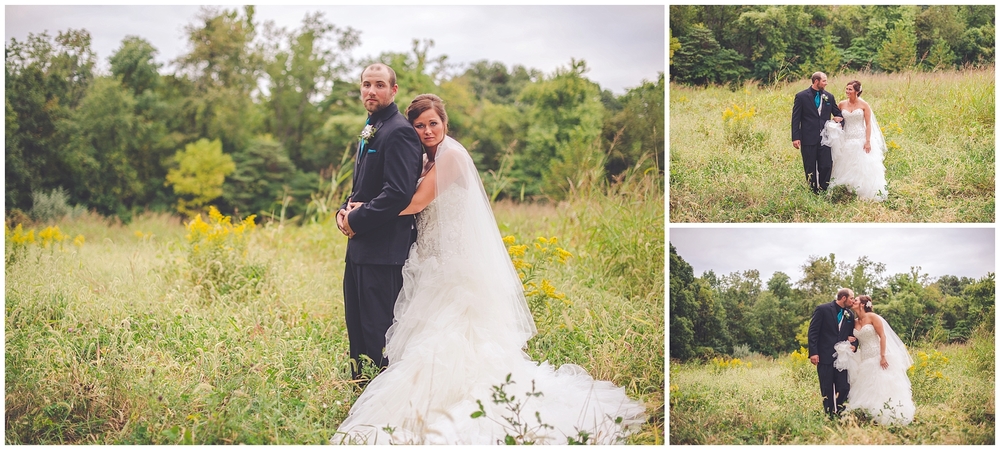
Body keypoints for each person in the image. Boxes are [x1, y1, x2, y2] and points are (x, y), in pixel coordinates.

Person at [333, 94, 646, 444]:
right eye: (419, 125)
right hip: (427, 258)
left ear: (445, 123)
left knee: (452, 336)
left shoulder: (451, 157)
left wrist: (361, 213)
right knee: (421, 333)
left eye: (433, 123)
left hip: (452, 263)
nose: (426, 131)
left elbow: (414, 201)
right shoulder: (425, 157)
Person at [337, 63, 423, 381]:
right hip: (360, 250)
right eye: (366, 85)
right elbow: (362, 188)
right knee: (358, 331)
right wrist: (341, 213)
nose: (371, 91)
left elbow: (398, 193)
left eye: (379, 85)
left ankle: (381, 406)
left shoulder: (399, 131)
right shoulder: (372, 127)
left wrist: (356, 219)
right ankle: (361, 396)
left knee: (379, 336)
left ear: (393, 90)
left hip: (384, 254)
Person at [833, 295, 915, 425]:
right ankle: (868, 415)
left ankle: (888, 415)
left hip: (878, 355)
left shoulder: (873, 317)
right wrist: (849, 339)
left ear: (863, 304)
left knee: (882, 385)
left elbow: (882, 336)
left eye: (856, 300)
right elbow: (852, 336)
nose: (853, 302)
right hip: (864, 357)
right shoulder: (854, 321)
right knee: (867, 386)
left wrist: (883, 356)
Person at [822, 80, 889, 201]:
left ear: (857, 91)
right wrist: (836, 119)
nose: (847, 91)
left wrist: (867, 141)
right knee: (845, 164)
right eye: (846, 89)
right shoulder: (842, 104)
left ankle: (864, 192)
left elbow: (868, 124)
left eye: (850, 89)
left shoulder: (864, 105)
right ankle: (846, 191)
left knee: (862, 165)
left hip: (861, 138)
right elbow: (839, 117)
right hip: (846, 138)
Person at [808, 288, 857, 419]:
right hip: (824, 355)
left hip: (842, 358)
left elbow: (853, 335)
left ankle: (841, 412)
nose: (853, 300)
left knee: (844, 387)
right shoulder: (822, 309)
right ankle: (829, 415)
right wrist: (813, 352)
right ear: (844, 298)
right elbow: (813, 331)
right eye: (852, 298)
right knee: (827, 387)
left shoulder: (849, 315)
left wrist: (854, 346)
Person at [791, 72, 843, 194]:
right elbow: (795, 118)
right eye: (824, 81)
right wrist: (795, 137)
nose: (826, 83)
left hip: (825, 137)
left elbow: (837, 113)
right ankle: (812, 191)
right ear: (816, 81)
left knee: (826, 165)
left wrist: (837, 119)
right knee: (810, 166)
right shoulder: (801, 96)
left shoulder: (829, 97)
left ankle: (824, 190)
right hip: (808, 136)